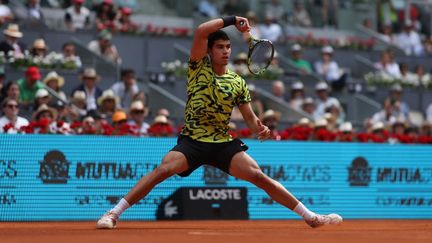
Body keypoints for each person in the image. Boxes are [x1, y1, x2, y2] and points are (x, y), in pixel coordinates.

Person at [96, 16, 342, 229]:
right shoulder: (197, 67)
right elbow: (202, 30)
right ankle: (112, 214)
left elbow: (248, 117)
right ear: (210, 51)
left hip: (222, 142)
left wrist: (260, 128)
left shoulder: (237, 82)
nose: (225, 51)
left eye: (228, 47)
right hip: (192, 140)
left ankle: (310, 217)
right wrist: (233, 21)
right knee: (163, 170)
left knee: (259, 176)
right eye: (220, 47)